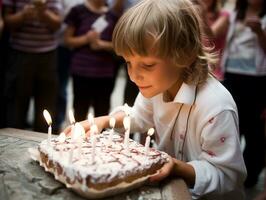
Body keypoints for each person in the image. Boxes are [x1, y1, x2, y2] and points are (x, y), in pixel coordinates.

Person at [64, 0, 247, 198]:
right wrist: (103, 121)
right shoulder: (157, 84)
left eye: (148, 65)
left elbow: (228, 176)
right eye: (128, 62)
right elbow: (139, 117)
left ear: (184, 55)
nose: (134, 76)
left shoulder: (215, 106)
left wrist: (179, 168)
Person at [221, 0, 266, 188]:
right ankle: (228, 170)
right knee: (231, 124)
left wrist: (259, 32)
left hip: (257, 78)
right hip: (231, 74)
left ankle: (250, 175)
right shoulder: (234, 12)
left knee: (254, 128)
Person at [3, 0, 62, 132]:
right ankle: (13, 142)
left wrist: (43, 12)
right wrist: (23, 14)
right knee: (16, 103)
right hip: (20, 53)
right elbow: (6, 22)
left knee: (47, 103)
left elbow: (58, 23)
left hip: (48, 54)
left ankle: (44, 141)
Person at [64, 0, 124, 121]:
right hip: (81, 70)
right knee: (80, 110)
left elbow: (119, 45)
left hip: (104, 72)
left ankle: (100, 140)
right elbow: (67, 40)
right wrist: (86, 39)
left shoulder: (113, 15)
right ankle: (77, 138)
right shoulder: (78, 11)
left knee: (102, 112)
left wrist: (101, 45)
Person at [202, 0, 229, 81]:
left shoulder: (224, 15)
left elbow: (211, 34)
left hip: (214, 71)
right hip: (195, 69)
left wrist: (202, 15)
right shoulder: (191, 13)